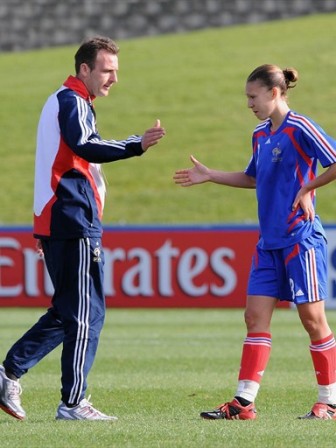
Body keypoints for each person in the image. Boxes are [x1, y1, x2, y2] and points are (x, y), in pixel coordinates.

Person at [0, 36, 165, 421]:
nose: (113, 79)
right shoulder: (71, 101)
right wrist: (135, 145)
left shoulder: (68, 100)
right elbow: (85, 146)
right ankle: (73, 402)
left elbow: (58, 161)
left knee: (69, 311)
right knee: (86, 314)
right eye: (107, 71)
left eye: (116, 71)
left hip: (63, 219)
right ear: (85, 69)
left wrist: (43, 226)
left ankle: (9, 373)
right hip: (72, 220)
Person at [174, 64, 336, 420]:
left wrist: (308, 187)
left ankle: (330, 401)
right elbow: (252, 178)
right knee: (254, 317)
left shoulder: (301, 127)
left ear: (275, 93)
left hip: (301, 239)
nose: (249, 103)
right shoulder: (260, 134)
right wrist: (210, 175)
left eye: (253, 96)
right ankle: (244, 402)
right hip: (269, 243)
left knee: (312, 319)